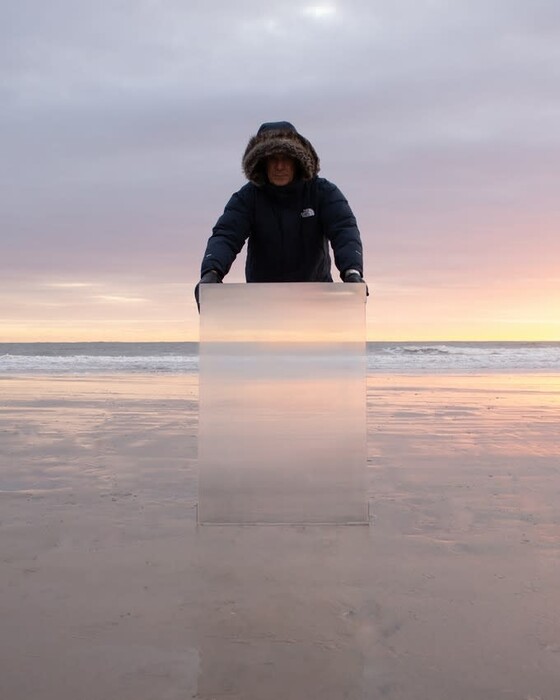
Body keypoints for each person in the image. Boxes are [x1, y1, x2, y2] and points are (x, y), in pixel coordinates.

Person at [195, 121, 366, 308]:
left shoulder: (323, 193)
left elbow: (344, 230)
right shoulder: (247, 198)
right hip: (263, 304)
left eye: (286, 158)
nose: (279, 166)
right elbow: (226, 235)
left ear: (297, 160)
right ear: (261, 163)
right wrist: (211, 272)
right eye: (272, 159)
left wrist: (352, 272)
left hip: (316, 302)